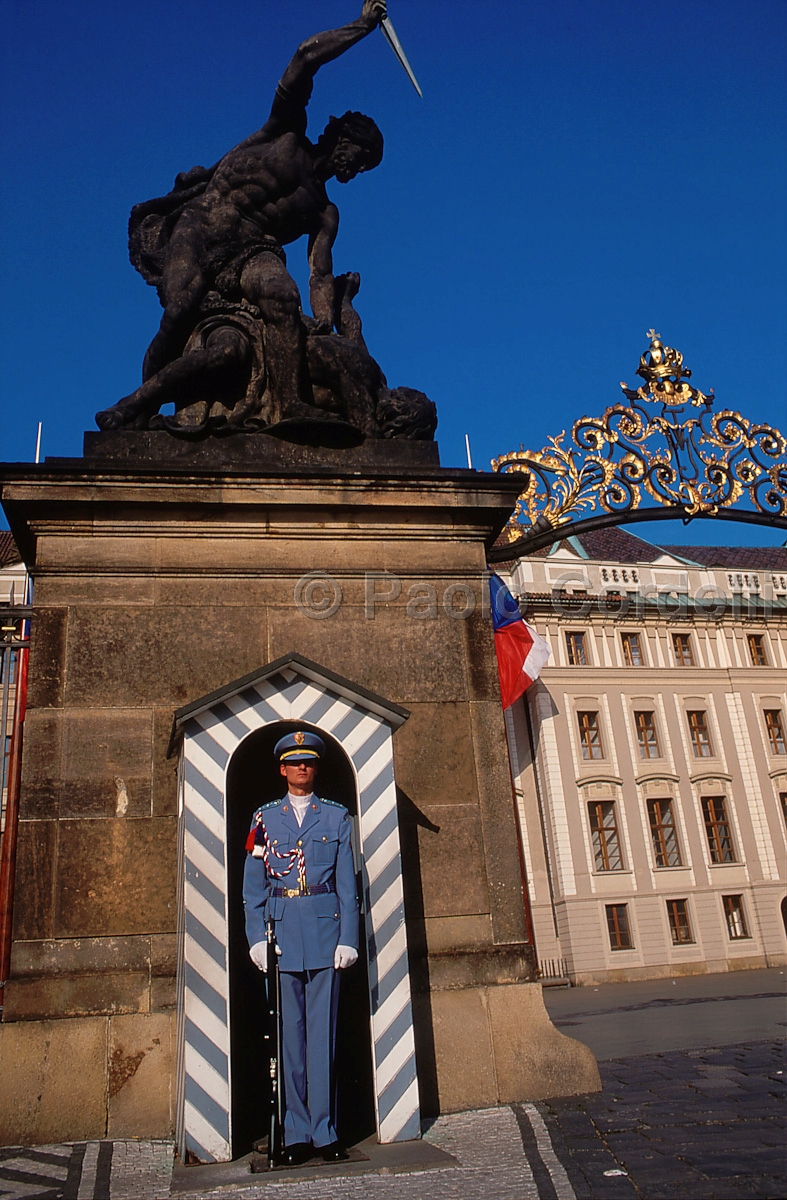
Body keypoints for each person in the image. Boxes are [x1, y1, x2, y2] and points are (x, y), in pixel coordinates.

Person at [127, 0, 387, 425]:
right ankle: (145, 402)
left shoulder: (324, 212)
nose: (356, 170)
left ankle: (291, 406)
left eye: (364, 168)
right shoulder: (286, 131)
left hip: (253, 248)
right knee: (180, 309)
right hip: (205, 223)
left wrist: (323, 319)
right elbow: (304, 57)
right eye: (359, 158)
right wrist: (361, 27)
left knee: (284, 295)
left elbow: (319, 274)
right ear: (342, 137)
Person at [243, 731, 359, 1165]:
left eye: (308, 762)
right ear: (282, 770)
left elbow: (348, 885)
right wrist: (256, 935)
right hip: (282, 934)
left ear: (315, 768)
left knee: (322, 1037)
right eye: (294, 763)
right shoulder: (264, 819)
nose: (302, 769)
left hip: (326, 933)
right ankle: (295, 1132)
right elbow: (253, 886)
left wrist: (349, 936)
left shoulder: (335, 818)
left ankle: (324, 1131)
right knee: (289, 1038)